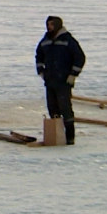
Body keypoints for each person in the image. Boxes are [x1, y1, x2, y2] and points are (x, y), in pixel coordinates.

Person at [35, 16, 86, 145]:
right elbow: (39, 55)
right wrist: (41, 70)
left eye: (51, 24)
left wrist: (73, 74)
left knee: (65, 109)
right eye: (47, 24)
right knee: (52, 108)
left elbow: (79, 57)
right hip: (50, 80)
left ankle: (70, 138)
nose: (49, 27)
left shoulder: (68, 40)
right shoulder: (45, 40)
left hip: (64, 81)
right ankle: (56, 135)